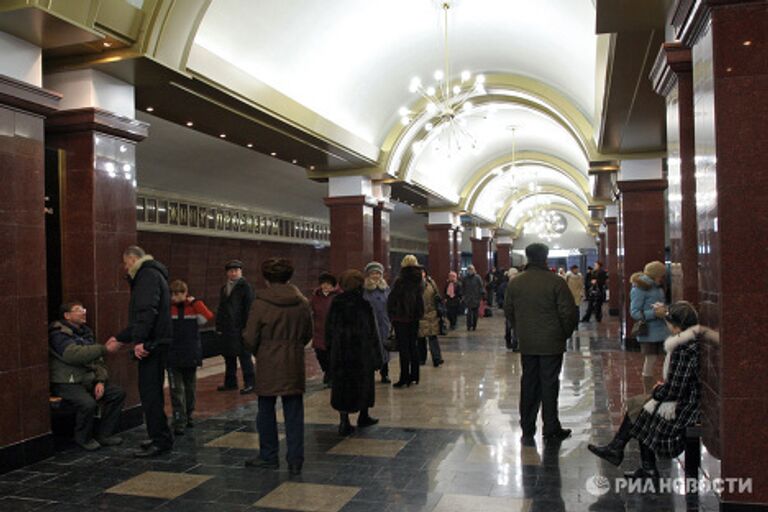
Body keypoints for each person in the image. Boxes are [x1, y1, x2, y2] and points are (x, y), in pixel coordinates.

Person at [588, 301, 701, 479]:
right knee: (638, 405)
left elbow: (675, 390)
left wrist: (658, 391)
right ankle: (622, 451)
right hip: (689, 400)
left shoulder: (683, 347)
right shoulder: (692, 341)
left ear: (676, 326)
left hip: (685, 407)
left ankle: (624, 453)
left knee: (641, 409)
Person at [243, 258, 312, 476]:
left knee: (265, 411)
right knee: (294, 412)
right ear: (289, 276)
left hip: (268, 362)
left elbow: (250, 337)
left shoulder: (260, 303)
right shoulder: (301, 303)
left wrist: (260, 351)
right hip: (293, 360)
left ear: (266, 278)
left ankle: (269, 456)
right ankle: (295, 460)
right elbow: (307, 334)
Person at [504, 243, 578, 445]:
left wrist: (521, 331)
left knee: (528, 383)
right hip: (551, 343)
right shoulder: (556, 282)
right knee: (549, 384)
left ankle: (527, 428)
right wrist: (562, 334)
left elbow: (509, 311)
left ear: (527, 258)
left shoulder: (515, 283)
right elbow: (569, 313)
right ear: (545, 258)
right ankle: (551, 427)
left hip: (527, 342)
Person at [112, 246, 174, 457]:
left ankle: (160, 440)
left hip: (152, 344)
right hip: (156, 342)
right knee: (151, 391)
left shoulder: (146, 275)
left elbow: (146, 311)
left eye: (126, 262)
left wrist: (139, 341)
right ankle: (160, 435)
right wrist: (121, 337)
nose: (125, 267)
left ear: (132, 259)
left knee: (150, 393)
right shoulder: (153, 274)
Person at [49, 302, 125, 451]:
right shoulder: (58, 334)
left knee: (117, 394)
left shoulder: (86, 332)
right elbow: (73, 355)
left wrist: (100, 381)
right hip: (66, 381)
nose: (84, 312)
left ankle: (105, 434)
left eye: (84, 309)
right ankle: (83, 438)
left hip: (88, 379)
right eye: (78, 310)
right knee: (87, 403)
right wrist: (104, 348)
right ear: (67, 315)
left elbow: (98, 360)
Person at [326, 269, 383, 436]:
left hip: (341, 353)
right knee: (364, 383)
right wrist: (377, 356)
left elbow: (329, 330)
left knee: (342, 385)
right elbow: (372, 333)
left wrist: (331, 350)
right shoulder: (363, 304)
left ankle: (344, 421)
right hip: (361, 354)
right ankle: (363, 416)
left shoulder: (336, 303)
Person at [167, 280, 214, 436]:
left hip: (190, 354)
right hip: (173, 355)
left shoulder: (193, 308)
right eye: (172, 294)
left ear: (185, 294)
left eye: (178, 293)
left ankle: (189, 415)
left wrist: (196, 302)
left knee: (190, 387)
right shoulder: (168, 309)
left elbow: (207, 317)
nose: (175, 297)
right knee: (176, 389)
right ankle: (179, 419)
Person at [216, 260, 255, 394]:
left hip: (240, 328)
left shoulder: (245, 287)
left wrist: (247, 327)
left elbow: (249, 308)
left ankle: (250, 383)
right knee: (229, 356)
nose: (233, 273)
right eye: (231, 271)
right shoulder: (224, 288)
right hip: (227, 329)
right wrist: (219, 326)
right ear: (227, 273)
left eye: (236, 270)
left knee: (244, 357)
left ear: (240, 272)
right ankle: (230, 382)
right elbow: (221, 308)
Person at [630, 261, 670, 393]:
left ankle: (666, 387)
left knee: (668, 358)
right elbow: (634, 312)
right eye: (661, 275)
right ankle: (648, 391)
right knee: (650, 360)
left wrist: (664, 310)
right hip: (648, 331)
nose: (662, 278)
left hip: (663, 330)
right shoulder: (639, 289)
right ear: (655, 275)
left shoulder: (657, 287)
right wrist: (653, 313)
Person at [387, 254, 424, 388]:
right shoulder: (419, 279)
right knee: (413, 346)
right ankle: (415, 376)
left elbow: (392, 299)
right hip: (414, 317)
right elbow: (420, 300)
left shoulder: (400, 280)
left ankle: (404, 378)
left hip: (401, 318)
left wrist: (391, 313)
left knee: (403, 348)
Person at [362, 262, 391, 383]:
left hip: (384, 323)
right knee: (370, 348)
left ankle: (384, 373)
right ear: (368, 275)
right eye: (373, 273)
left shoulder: (386, 289)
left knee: (384, 348)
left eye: (378, 273)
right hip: (369, 324)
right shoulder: (364, 289)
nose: (376, 275)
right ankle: (369, 373)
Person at [309, 272, 340, 387]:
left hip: (333, 330)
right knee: (320, 354)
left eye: (328, 284)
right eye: (323, 283)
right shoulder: (316, 296)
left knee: (331, 354)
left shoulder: (337, 296)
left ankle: (331, 375)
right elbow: (310, 309)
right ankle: (327, 371)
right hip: (319, 330)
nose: (325, 286)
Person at [418, 268, 444, 368]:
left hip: (432, 313)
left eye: (423, 272)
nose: (422, 274)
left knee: (433, 337)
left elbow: (437, 295)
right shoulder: (415, 285)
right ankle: (421, 358)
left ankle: (437, 358)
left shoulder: (431, 283)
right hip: (420, 314)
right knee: (421, 338)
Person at [462, 264, 484, 331]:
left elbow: (481, 287)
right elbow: (463, 287)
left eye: (471, 269)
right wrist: (463, 296)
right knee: (468, 314)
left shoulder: (478, 278)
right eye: (469, 270)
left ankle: (474, 325)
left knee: (475, 314)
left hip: (476, 298)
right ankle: (468, 326)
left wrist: (481, 296)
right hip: (468, 299)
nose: (470, 271)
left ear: (474, 270)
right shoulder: (465, 278)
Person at [503, 268, 520, 351]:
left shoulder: (507, 285)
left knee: (511, 327)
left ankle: (512, 343)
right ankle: (514, 344)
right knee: (513, 327)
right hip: (515, 309)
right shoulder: (519, 284)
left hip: (512, 309)